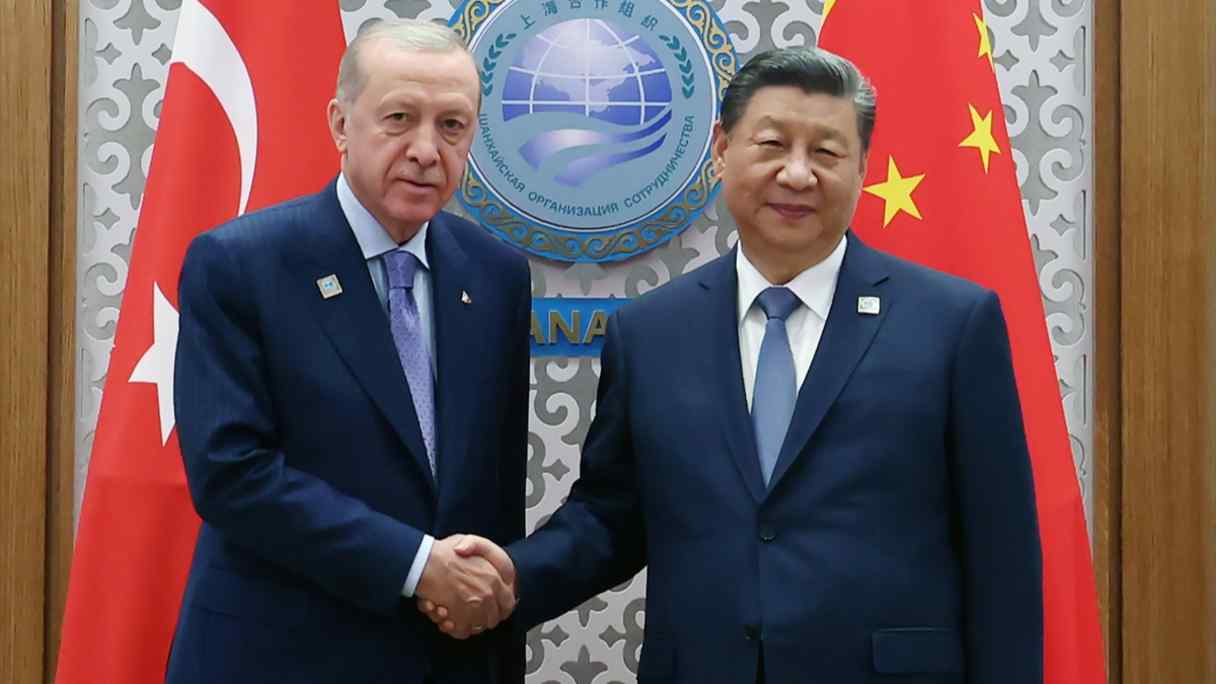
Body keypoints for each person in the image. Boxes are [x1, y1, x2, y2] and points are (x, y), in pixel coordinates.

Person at [426, 46, 1044, 683]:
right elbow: (612, 517)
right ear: (722, 148)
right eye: (772, 144)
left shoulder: (951, 322)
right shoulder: (651, 332)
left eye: (827, 153)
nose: (798, 174)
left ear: (863, 166)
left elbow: (1003, 556)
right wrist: (506, 580)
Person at [167, 19, 528, 684]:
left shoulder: (496, 274)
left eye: (452, 126)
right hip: (282, 654)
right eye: (399, 118)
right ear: (340, 123)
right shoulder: (240, 264)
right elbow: (232, 474)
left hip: (448, 661)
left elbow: (495, 493)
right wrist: (418, 565)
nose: (426, 150)